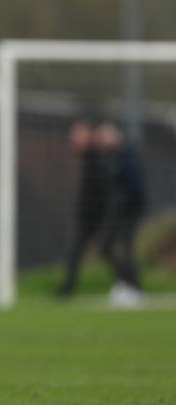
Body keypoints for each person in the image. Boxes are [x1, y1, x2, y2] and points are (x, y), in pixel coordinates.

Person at [56, 119, 112, 298]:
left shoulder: (95, 158)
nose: (73, 140)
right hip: (91, 216)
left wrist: (97, 213)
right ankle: (67, 289)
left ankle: (130, 285)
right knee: (87, 252)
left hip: (94, 217)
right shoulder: (89, 157)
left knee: (104, 250)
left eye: (77, 136)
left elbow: (101, 188)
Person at [96, 122, 146, 307]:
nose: (104, 142)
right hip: (117, 210)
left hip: (130, 210)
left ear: (115, 135)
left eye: (106, 137)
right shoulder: (112, 157)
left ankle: (134, 289)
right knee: (106, 246)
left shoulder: (128, 155)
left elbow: (135, 186)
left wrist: (130, 206)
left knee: (126, 248)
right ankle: (124, 283)